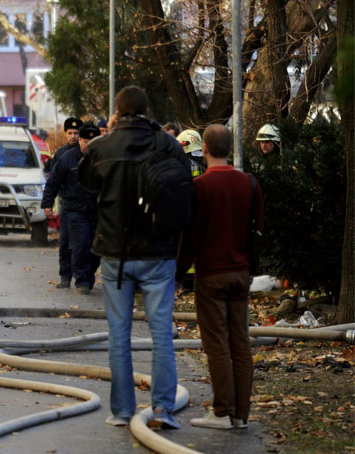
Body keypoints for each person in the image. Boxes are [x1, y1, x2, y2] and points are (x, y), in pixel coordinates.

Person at [78, 86, 191, 430]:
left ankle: (122, 411)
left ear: (117, 111)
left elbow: (86, 182)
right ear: (146, 110)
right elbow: (183, 184)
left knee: (119, 335)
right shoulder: (167, 145)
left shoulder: (101, 146)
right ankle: (162, 410)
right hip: (158, 251)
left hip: (115, 253)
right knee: (161, 336)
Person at [177, 125, 262, 429]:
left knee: (216, 345)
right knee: (241, 343)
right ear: (230, 150)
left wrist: (178, 272)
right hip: (240, 273)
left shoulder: (199, 187)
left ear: (206, 150)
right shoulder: (249, 184)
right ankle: (241, 414)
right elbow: (257, 230)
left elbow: (191, 237)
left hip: (211, 274)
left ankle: (222, 411)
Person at [41, 123, 101, 294]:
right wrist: (47, 204)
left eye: (93, 140)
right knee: (80, 244)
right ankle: (81, 279)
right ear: (80, 141)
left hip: (96, 210)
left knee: (96, 248)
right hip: (75, 210)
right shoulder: (67, 158)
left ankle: (88, 276)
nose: (88, 144)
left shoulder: (103, 159)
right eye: (85, 140)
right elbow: (53, 182)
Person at [45, 117, 82, 288]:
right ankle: (65, 277)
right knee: (65, 242)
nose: (73, 136)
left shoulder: (87, 152)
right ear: (65, 134)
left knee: (82, 243)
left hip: (84, 205)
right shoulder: (60, 154)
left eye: (76, 133)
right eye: (70, 133)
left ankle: (82, 276)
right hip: (66, 203)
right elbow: (54, 179)